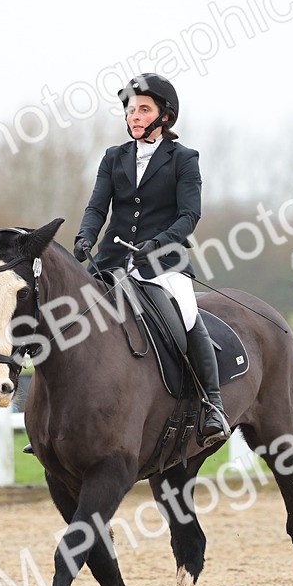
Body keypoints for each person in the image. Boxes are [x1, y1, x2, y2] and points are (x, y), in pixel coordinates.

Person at [73, 73, 230, 445]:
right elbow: (97, 207)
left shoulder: (183, 159)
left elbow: (189, 215)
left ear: (165, 116)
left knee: (187, 316)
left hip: (163, 264)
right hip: (112, 262)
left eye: (144, 109)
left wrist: (158, 243)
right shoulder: (114, 158)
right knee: (71, 319)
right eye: (131, 110)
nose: (134, 116)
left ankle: (213, 404)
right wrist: (85, 236)